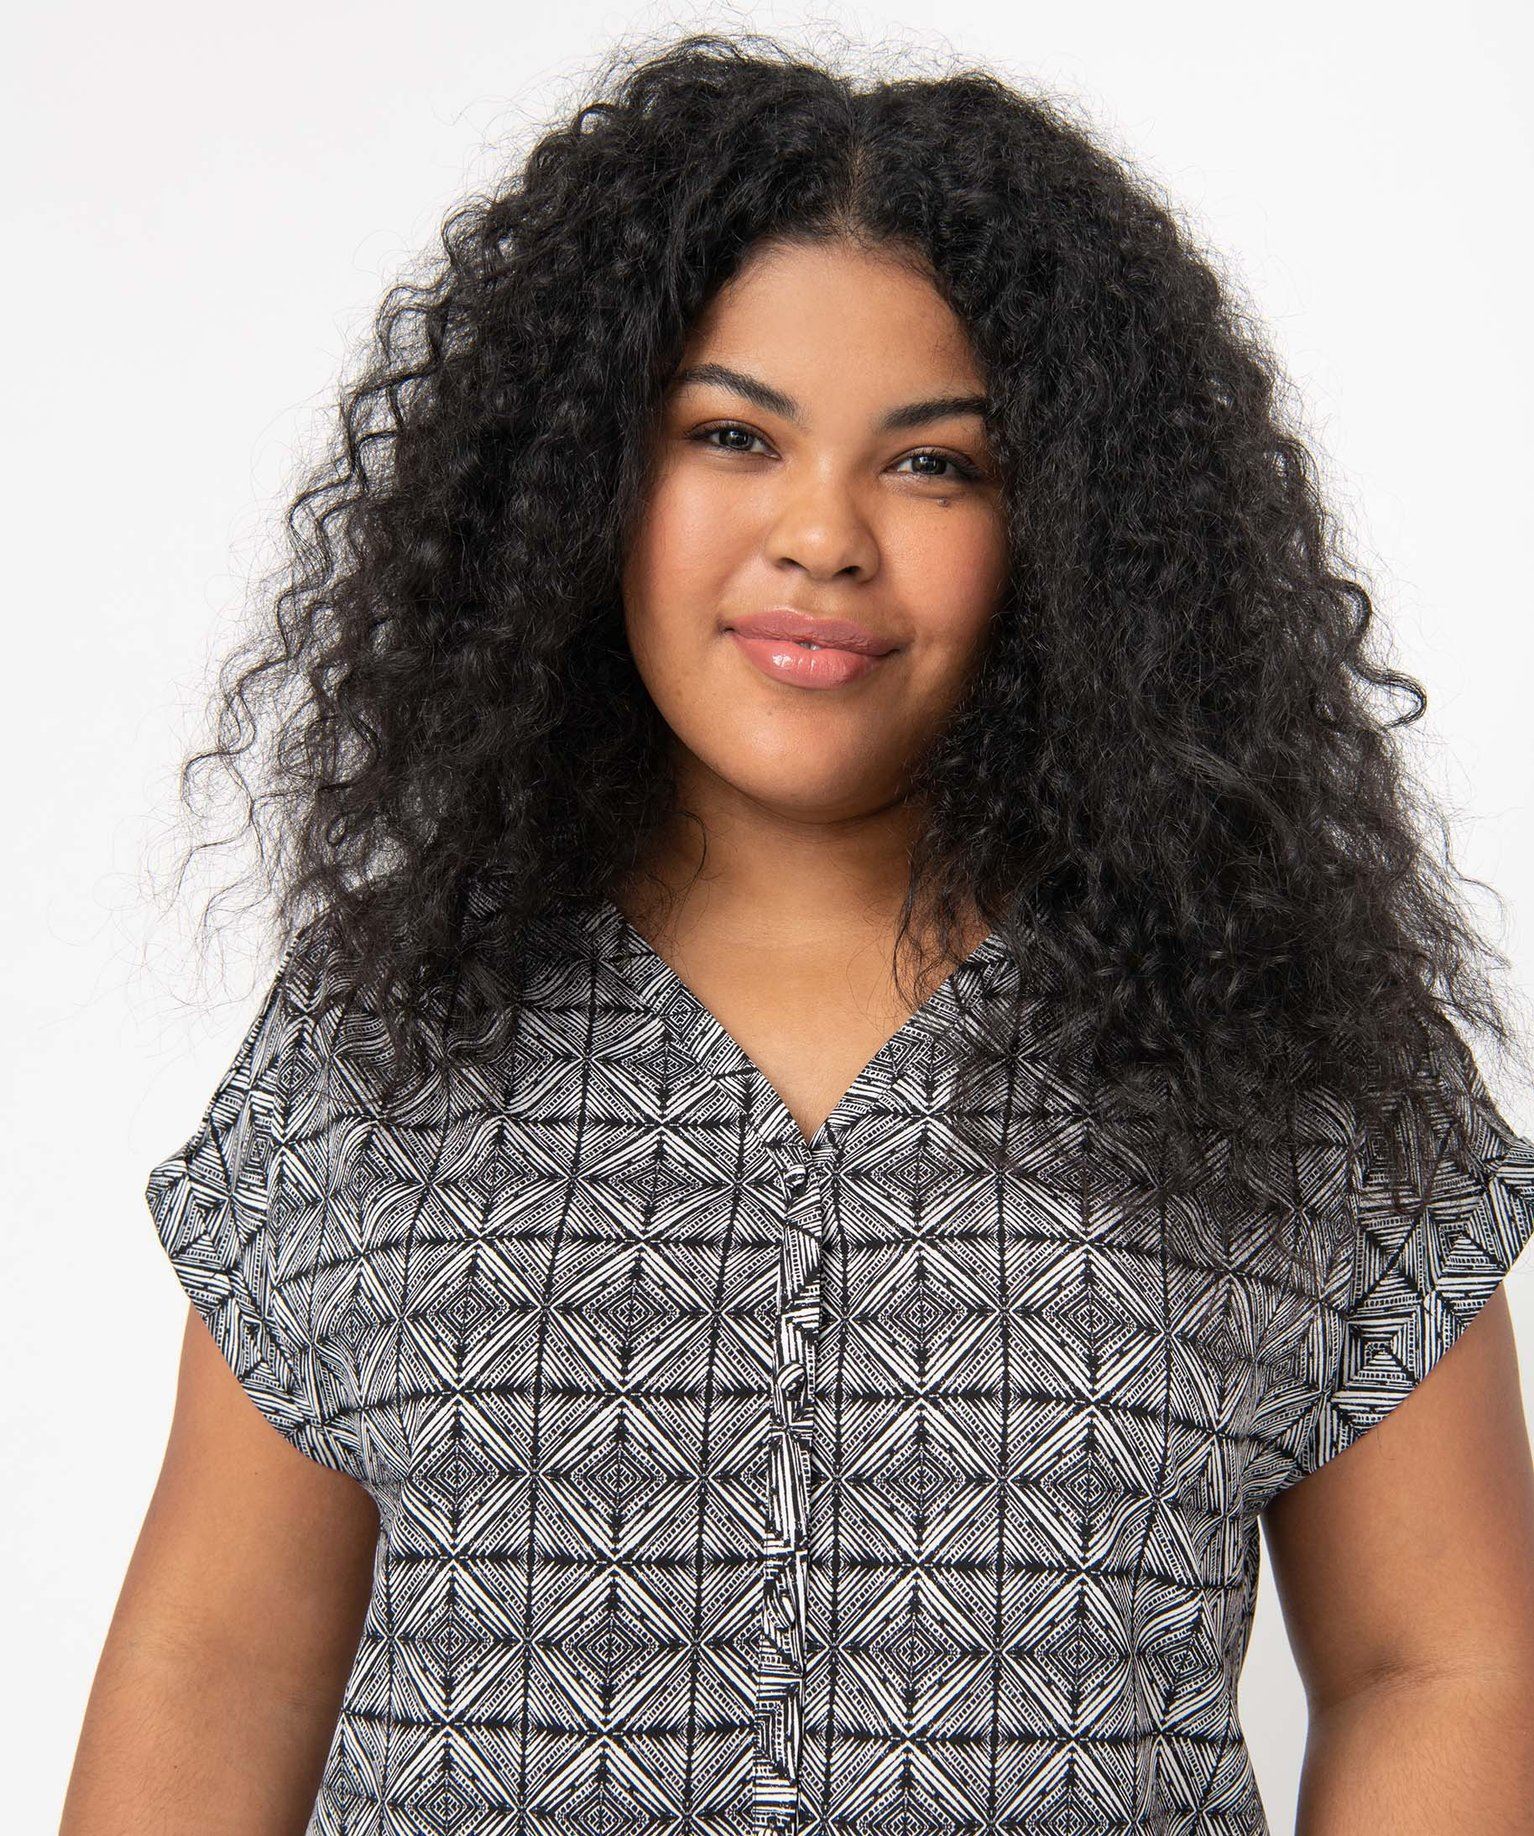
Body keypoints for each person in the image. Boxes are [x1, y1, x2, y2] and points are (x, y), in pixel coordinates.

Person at [62, 29, 1534, 1836]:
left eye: (935, 466)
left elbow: (1433, 1664)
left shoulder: (1275, 1042)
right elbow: (219, 1663)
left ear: (1073, 526)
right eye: (731, 436)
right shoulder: (391, 1021)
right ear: (587, 476)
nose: (821, 535)